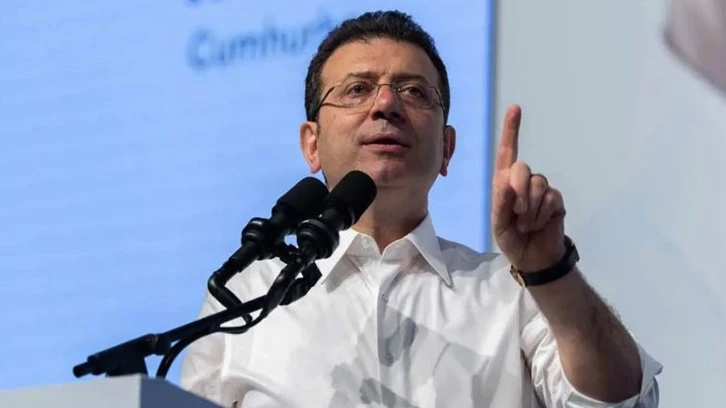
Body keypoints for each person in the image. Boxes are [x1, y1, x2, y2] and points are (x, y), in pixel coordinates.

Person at [180, 10, 662, 408]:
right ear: (312, 144)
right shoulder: (245, 297)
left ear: (447, 149)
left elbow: (624, 401)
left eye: (413, 92)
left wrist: (549, 269)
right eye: (357, 89)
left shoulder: (511, 293)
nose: (386, 105)